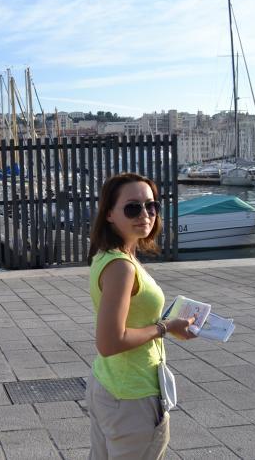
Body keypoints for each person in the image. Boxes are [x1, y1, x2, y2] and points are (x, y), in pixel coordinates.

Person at [86, 173, 196, 460]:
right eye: (132, 207)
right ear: (109, 214)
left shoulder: (110, 256)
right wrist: (165, 327)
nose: (145, 214)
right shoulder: (122, 267)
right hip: (132, 396)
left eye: (151, 205)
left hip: (110, 384)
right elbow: (109, 342)